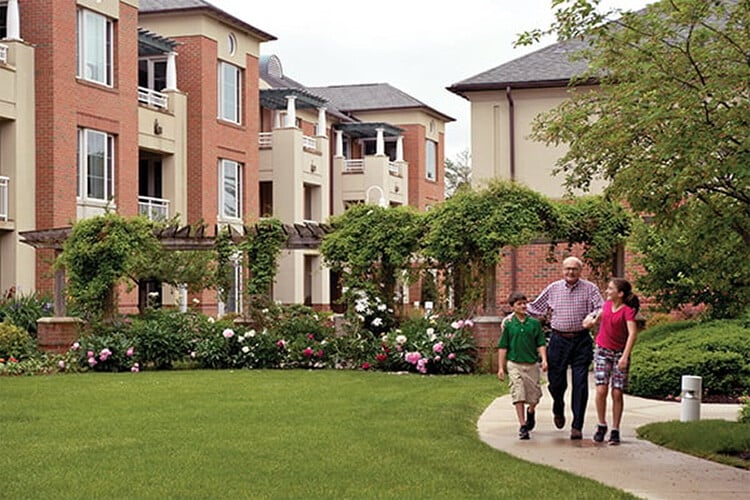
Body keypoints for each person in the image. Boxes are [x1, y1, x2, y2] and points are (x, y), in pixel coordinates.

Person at [527, 256, 604, 440]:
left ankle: (577, 425)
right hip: (558, 340)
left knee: (580, 384)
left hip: (581, 340)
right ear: (562, 270)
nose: (570, 272)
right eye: (567, 269)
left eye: (574, 269)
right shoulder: (553, 288)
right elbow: (534, 308)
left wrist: (592, 317)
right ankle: (558, 406)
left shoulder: (590, 288)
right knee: (556, 383)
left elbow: (602, 307)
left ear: (580, 271)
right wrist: (513, 316)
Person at [584, 278, 640, 445]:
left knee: (617, 392)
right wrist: (592, 321)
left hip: (619, 354)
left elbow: (632, 334)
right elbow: (598, 317)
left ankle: (615, 429)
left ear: (620, 294)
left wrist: (624, 356)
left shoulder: (627, 311)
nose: (607, 291)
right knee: (601, 390)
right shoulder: (606, 305)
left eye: (610, 289)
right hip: (602, 351)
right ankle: (601, 425)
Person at [497, 292, 548, 440]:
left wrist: (544, 360)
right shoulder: (508, 324)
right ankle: (523, 425)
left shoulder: (534, 324)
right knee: (518, 394)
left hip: (531, 364)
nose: (523, 306)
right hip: (514, 364)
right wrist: (501, 368)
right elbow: (503, 347)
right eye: (519, 304)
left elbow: (540, 343)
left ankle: (531, 411)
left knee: (534, 397)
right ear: (512, 307)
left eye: (525, 303)